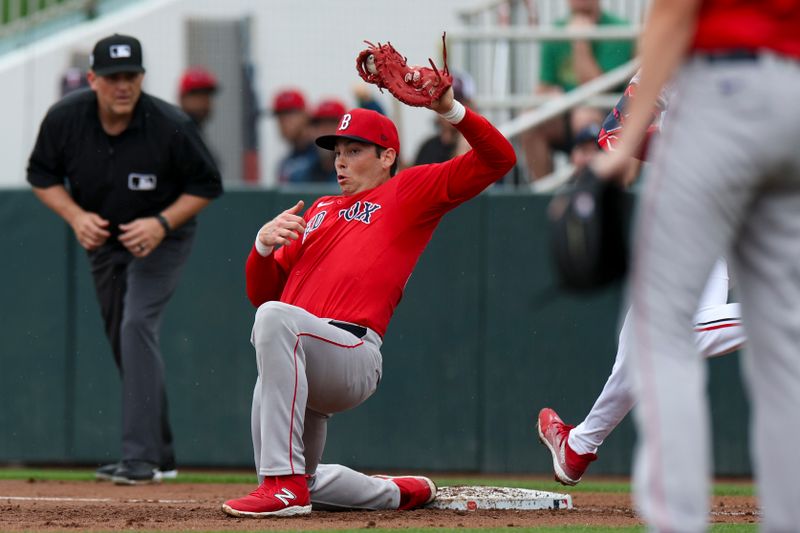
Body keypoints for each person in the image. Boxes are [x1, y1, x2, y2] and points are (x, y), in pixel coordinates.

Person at [221, 81, 516, 517]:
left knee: (276, 321)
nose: (341, 160)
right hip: (306, 353)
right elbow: (262, 297)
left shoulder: (409, 192)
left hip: (354, 354)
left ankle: (282, 485)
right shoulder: (319, 209)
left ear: (387, 157)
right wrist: (261, 250)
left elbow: (500, 159)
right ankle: (398, 492)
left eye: (355, 150)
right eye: (337, 151)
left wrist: (452, 110)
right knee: (310, 478)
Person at [591, 1, 800, 530]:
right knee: (783, 348)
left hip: (720, 95)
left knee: (658, 334)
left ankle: (676, 520)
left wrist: (625, 149)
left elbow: (672, 14)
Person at [26, 34, 223, 485]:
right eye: (113, 77)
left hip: (161, 239)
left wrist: (161, 223)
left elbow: (207, 185)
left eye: (131, 75)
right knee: (125, 338)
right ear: (93, 79)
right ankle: (163, 455)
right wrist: (75, 216)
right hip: (103, 239)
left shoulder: (169, 123)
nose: (123, 85)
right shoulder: (65, 119)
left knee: (136, 325)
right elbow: (40, 174)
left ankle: (139, 459)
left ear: (142, 78)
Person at [521, 0, 634, 181]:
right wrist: (550, 95)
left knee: (585, 116)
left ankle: (588, 193)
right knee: (530, 122)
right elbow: (544, 86)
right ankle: (543, 196)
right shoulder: (556, 31)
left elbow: (598, 89)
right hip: (565, 110)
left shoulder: (618, 29)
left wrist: (579, 42)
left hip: (607, 115)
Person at [413, 72, 475, 165]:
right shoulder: (428, 148)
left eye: (455, 103)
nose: (448, 107)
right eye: (442, 101)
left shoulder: (475, 148)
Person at [272, 88, 319, 184]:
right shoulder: (285, 163)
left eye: (289, 113)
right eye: (279, 115)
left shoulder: (324, 155)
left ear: (305, 115)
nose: (283, 121)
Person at [296, 98, 347, 183]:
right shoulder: (301, 174)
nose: (325, 131)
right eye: (319, 125)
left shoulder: (355, 171)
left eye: (332, 124)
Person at [178, 66, 218, 130]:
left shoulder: (196, 132)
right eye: (197, 94)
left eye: (207, 94)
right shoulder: (174, 133)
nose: (203, 100)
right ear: (182, 98)